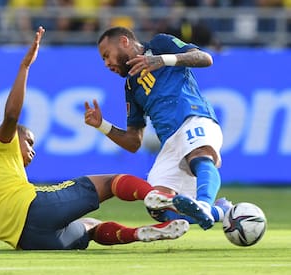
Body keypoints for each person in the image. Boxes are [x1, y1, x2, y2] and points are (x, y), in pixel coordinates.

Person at [0, 26, 189, 251]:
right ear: (13, 138)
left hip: (30, 241)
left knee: (91, 230)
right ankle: (160, 198)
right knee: (112, 182)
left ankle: (140, 234)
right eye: (30, 142)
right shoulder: (0, 148)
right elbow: (12, 115)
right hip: (34, 210)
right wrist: (24, 67)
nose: (32, 151)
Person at [84, 26, 232, 231]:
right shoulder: (131, 86)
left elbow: (205, 58)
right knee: (157, 204)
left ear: (125, 42)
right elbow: (134, 141)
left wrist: (163, 59)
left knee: (199, 155)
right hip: (170, 143)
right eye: (103, 59)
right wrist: (102, 125)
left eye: (107, 55)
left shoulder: (160, 45)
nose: (107, 63)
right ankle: (219, 211)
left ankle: (206, 205)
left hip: (194, 117)